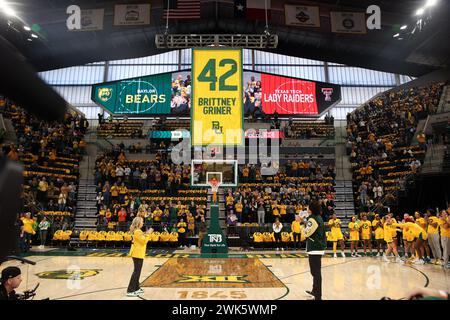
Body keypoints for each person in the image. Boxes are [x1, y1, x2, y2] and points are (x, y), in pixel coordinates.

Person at [304, 200, 326, 300]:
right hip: (318, 247)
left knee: (316, 272)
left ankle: (318, 296)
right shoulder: (319, 218)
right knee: (315, 271)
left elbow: (306, 233)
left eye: (308, 207)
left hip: (314, 247)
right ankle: (315, 291)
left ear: (311, 209)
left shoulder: (312, 219)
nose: (307, 209)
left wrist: (302, 225)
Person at [127, 217, 152, 297]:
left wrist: (146, 233)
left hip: (138, 253)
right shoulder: (137, 231)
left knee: (137, 272)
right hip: (137, 253)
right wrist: (148, 234)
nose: (143, 223)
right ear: (138, 223)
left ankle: (136, 288)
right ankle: (130, 290)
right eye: (142, 222)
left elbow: (142, 237)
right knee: (136, 272)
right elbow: (144, 241)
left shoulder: (138, 231)